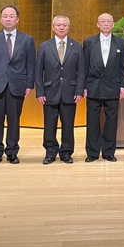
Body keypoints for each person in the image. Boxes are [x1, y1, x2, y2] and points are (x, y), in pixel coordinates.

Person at [0, 5, 36, 165]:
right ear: (0, 19)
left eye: (11, 16)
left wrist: (29, 84)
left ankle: (12, 151)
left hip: (18, 85)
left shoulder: (27, 39)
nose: (8, 18)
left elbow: (31, 63)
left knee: (14, 120)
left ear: (17, 19)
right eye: (5, 16)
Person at [35, 15, 85, 165]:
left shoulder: (76, 46)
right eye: (58, 25)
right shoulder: (44, 46)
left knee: (68, 124)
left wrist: (79, 91)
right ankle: (50, 152)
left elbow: (81, 71)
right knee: (49, 124)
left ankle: (66, 152)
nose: (61, 27)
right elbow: (38, 72)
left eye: (64, 25)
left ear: (68, 28)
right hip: (49, 92)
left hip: (70, 92)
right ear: (53, 27)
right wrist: (40, 92)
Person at [83, 13, 124, 162]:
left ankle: (109, 152)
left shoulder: (121, 42)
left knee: (111, 121)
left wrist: (123, 86)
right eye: (103, 21)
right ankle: (92, 152)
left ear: (113, 24)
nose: (106, 24)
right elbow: (84, 66)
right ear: (98, 24)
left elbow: (123, 67)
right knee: (92, 121)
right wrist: (83, 86)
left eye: (109, 21)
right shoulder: (89, 42)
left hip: (113, 86)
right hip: (93, 86)